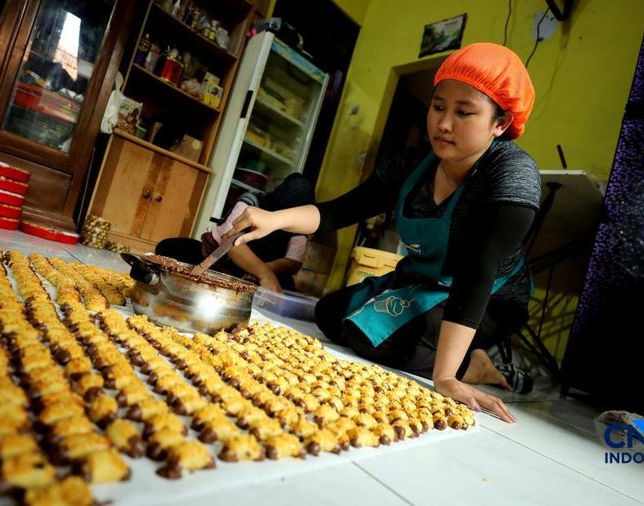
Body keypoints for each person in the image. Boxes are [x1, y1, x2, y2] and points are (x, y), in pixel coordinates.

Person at [223, 43, 540, 423]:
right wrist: (274, 219)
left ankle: (472, 365)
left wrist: (444, 377)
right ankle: (452, 353)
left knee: (376, 339)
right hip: (426, 281)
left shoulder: (511, 175)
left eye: (463, 112)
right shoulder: (413, 165)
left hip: (490, 297)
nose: (443, 123)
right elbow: (338, 211)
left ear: (500, 123)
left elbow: (479, 269)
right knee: (332, 312)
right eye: (438, 106)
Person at [155, 173, 315, 292]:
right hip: (222, 261)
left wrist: (265, 270)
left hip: (257, 272)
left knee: (287, 285)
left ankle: (237, 284)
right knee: (169, 248)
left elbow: (293, 261)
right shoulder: (254, 201)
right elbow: (229, 241)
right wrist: (264, 274)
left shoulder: (299, 220)